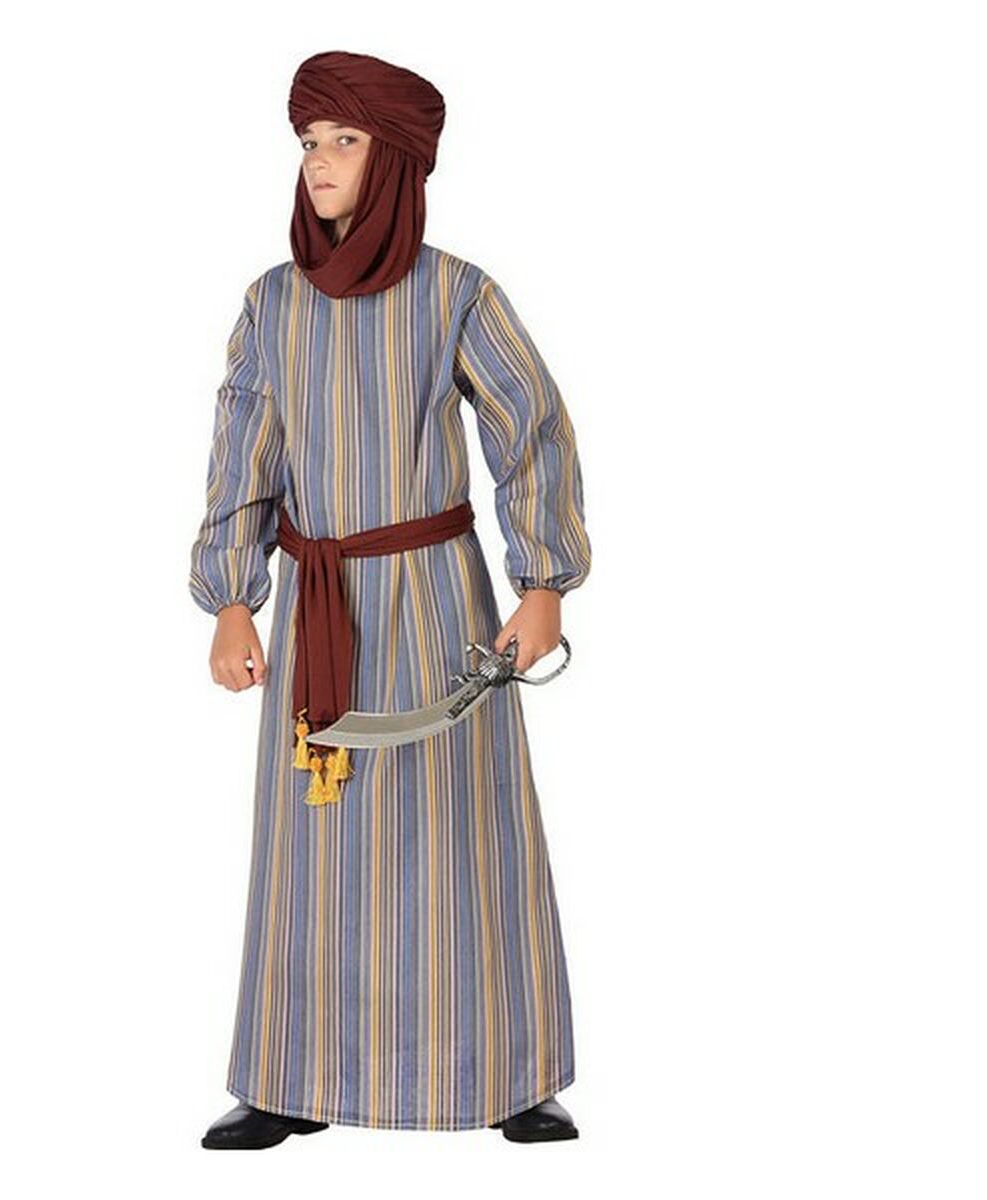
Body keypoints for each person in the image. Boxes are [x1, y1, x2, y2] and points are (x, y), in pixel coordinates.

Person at [190, 50, 592, 1148]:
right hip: (318, 611)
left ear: (399, 160)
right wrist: (232, 599)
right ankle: (291, 1076)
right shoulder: (273, 304)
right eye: (307, 142)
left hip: (437, 607)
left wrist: (543, 582)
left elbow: (532, 428)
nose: (318, 162)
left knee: (461, 827)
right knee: (313, 845)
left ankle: (507, 1074)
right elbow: (243, 456)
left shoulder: (457, 292)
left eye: (344, 140)